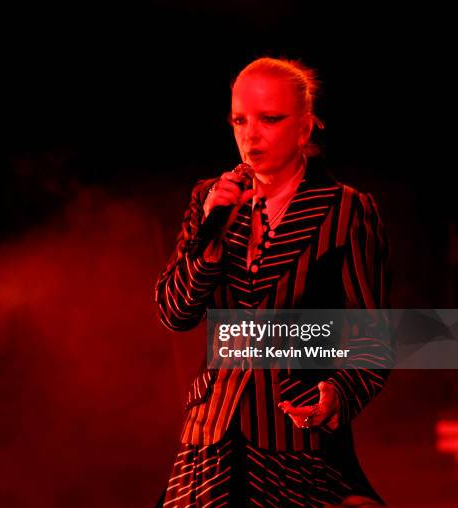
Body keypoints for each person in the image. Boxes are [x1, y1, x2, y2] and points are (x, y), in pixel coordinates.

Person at [154, 57, 392, 507]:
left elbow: (375, 338)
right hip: (209, 439)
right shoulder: (209, 198)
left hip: (296, 438)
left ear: (304, 129)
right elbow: (174, 314)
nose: (250, 134)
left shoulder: (347, 209)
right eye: (240, 120)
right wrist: (209, 241)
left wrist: (338, 394)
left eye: (270, 119)